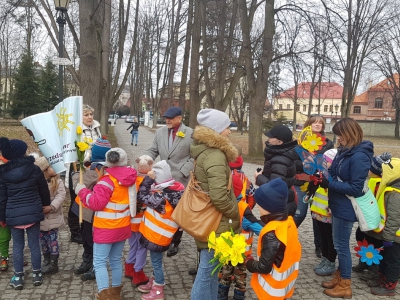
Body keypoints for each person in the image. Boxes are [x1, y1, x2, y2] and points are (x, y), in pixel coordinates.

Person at [318, 118, 373, 298]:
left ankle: (345, 285)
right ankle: (339, 277)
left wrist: (330, 184)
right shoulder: (345, 151)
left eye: (340, 135)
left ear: (349, 134)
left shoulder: (359, 156)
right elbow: (334, 172)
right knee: (338, 243)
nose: (338, 138)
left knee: (341, 246)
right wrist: (323, 174)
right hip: (337, 203)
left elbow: (356, 188)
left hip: (346, 207)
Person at [190, 108, 240, 300]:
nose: (229, 130)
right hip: (216, 221)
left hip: (209, 218)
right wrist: (234, 212)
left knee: (211, 272)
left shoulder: (206, 151)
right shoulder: (215, 155)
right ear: (217, 130)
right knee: (207, 271)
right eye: (227, 127)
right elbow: (219, 196)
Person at [75, 148, 136, 300]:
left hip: (106, 227)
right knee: (115, 260)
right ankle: (115, 294)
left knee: (99, 262)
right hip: (122, 226)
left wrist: (82, 191)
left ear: (107, 161)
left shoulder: (106, 181)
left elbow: (96, 203)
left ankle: (103, 295)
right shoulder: (130, 178)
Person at [0, 138, 51, 290]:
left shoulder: (3, 173)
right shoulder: (34, 169)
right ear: (22, 153)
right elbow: (43, 189)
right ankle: (36, 274)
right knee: (34, 244)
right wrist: (45, 204)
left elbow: (2, 198)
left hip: (13, 214)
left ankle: (18, 277)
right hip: (33, 211)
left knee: (17, 245)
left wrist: (2, 217)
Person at [145, 106, 194, 257]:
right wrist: (145, 159)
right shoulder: (160, 132)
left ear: (179, 118)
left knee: (178, 211)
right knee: (165, 209)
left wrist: (183, 171)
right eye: (166, 118)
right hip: (162, 179)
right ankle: (164, 235)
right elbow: (153, 150)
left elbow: (194, 156)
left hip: (181, 179)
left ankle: (175, 241)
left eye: (171, 118)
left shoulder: (190, 133)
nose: (167, 120)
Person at [245, 178, 302, 300]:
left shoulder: (272, 232)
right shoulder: (288, 223)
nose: (258, 208)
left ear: (269, 207)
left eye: (260, 205)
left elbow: (264, 267)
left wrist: (248, 262)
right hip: (284, 286)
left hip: (272, 291)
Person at [136, 160, 185, 300]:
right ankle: (154, 280)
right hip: (163, 234)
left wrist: (147, 180)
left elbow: (142, 196)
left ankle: (158, 288)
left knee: (156, 263)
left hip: (157, 236)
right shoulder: (175, 189)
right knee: (156, 260)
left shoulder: (161, 197)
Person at [71, 137, 112, 281]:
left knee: (92, 240)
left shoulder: (97, 170)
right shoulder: (92, 167)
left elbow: (80, 184)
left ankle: (95, 265)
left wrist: (76, 175)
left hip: (91, 213)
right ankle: (87, 260)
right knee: (87, 239)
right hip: (86, 212)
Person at [293, 115, 334, 258]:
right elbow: (293, 164)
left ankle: (320, 246)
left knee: (318, 218)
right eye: (314, 122)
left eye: (320, 123)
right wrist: (304, 164)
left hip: (320, 186)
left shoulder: (328, 144)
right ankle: (286, 236)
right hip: (302, 183)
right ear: (308, 125)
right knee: (300, 214)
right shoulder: (299, 143)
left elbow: (330, 162)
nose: (317, 125)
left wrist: (318, 163)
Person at [217, 175, 263, 300]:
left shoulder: (221, 206)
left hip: (229, 255)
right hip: (241, 255)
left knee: (223, 278)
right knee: (240, 281)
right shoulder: (244, 209)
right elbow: (260, 229)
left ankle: (221, 297)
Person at [67, 104, 102, 245]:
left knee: (87, 198)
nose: (89, 117)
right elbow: (73, 149)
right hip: (79, 166)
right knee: (76, 200)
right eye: (86, 115)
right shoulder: (76, 130)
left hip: (92, 168)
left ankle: (85, 228)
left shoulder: (96, 128)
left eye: (91, 114)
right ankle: (74, 232)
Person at [353, 153, 390, 283]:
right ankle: (364, 261)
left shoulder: (381, 184)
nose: (368, 170)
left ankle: (374, 269)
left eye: (371, 168)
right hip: (366, 218)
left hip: (376, 221)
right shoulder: (371, 180)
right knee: (361, 237)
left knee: (375, 243)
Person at [366, 157, 400, 296]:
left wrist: (388, 237)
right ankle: (382, 280)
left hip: (395, 236)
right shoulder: (390, 188)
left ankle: (390, 286)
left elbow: (394, 218)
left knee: (392, 261)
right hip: (389, 235)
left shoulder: (396, 194)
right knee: (384, 258)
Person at [254, 124, 298, 216]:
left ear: (279, 141)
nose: (268, 139)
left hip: (280, 206)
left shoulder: (280, 159)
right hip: (284, 201)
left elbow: (275, 187)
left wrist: (259, 177)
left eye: (271, 137)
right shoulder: (282, 154)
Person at [307, 149, 337, 276]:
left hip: (328, 214)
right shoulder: (319, 173)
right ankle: (324, 259)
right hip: (318, 212)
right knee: (323, 237)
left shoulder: (334, 177)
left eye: (327, 161)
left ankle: (330, 262)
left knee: (330, 238)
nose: (324, 163)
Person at [124, 155, 153, 287]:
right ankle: (138, 273)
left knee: (133, 245)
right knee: (142, 247)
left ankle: (129, 267)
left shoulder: (132, 181)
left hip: (131, 220)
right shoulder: (150, 183)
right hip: (143, 221)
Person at [34, 156, 66, 275]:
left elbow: (61, 195)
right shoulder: (36, 183)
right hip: (41, 218)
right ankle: (46, 259)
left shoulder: (57, 181)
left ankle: (54, 263)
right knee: (43, 241)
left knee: (53, 241)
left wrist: (51, 207)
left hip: (53, 217)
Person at [0, 154, 11, 272]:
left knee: (18, 236)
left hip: (13, 209)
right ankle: (4, 256)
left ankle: (19, 255)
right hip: (1, 212)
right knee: (3, 237)